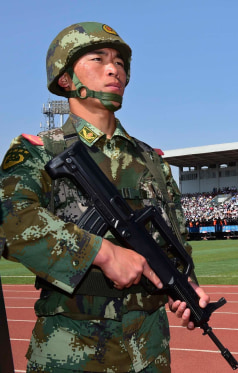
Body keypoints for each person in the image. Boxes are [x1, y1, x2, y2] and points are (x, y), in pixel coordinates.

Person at [0, 22, 209, 372]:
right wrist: (101, 252)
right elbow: (8, 219)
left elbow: (174, 240)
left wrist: (186, 285)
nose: (115, 69)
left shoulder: (152, 160)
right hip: (71, 348)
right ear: (65, 79)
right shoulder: (39, 151)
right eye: (98, 59)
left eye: (120, 63)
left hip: (149, 349)